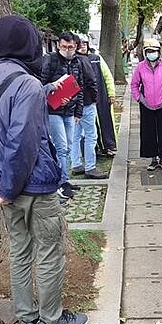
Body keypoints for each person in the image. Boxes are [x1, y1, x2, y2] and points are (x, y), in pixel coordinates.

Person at [0, 14, 88, 324]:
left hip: (6, 189)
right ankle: (50, 322)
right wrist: (6, 186)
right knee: (49, 251)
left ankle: (27, 322)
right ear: (28, 44)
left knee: (19, 253)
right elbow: (22, 142)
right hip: (33, 186)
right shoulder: (28, 84)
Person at [41, 31, 84, 199]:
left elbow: (79, 87)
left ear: (75, 47)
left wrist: (78, 111)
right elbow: (41, 85)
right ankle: (61, 182)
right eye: (64, 46)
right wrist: (54, 89)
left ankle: (65, 179)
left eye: (71, 47)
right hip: (53, 110)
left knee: (68, 146)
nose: (67, 50)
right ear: (58, 45)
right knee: (61, 147)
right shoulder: (50, 60)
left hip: (70, 110)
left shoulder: (77, 62)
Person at [130, 38, 162, 170]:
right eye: (149, 51)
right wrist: (139, 98)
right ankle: (152, 159)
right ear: (145, 53)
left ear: (159, 52)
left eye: (154, 51)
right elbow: (134, 84)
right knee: (148, 131)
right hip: (146, 104)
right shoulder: (140, 67)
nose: (152, 53)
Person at [70, 36, 107, 179]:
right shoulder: (84, 60)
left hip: (72, 103)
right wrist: (94, 98)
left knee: (75, 135)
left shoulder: (67, 61)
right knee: (91, 135)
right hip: (86, 102)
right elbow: (92, 81)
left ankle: (76, 164)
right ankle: (90, 167)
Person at [78, 34, 118, 157]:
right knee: (87, 126)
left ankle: (108, 146)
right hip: (84, 99)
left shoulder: (96, 58)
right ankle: (90, 150)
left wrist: (111, 93)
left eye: (85, 44)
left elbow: (107, 76)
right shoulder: (74, 61)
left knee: (105, 121)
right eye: (80, 45)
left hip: (101, 95)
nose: (83, 47)